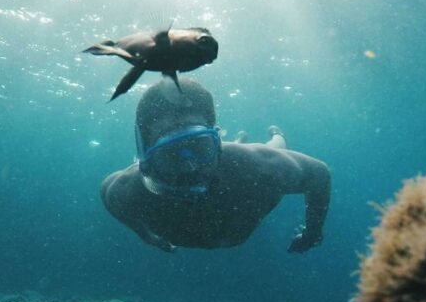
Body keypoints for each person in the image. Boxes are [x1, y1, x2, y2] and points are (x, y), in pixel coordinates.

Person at [100, 79, 331, 253]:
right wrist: (147, 236)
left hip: (244, 161)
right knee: (251, 155)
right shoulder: (123, 191)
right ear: (145, 156)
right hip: (238, 164)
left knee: (274, 149)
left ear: (217, 143)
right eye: (172, 155)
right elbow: (109, 197)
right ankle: (226, 142)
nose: (191, 168)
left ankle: (277, 135)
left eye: (200, 148)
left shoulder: (260, 165)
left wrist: (312, 233)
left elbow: (320, 174)